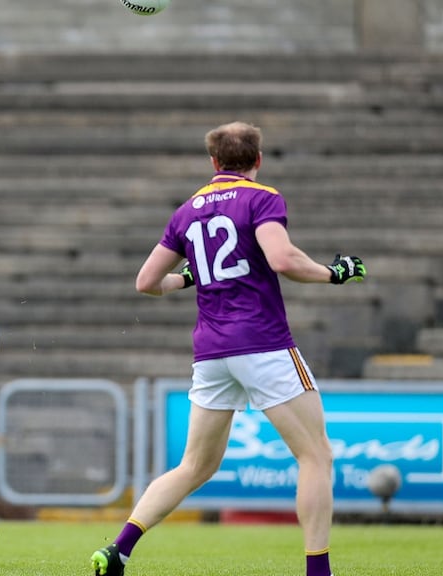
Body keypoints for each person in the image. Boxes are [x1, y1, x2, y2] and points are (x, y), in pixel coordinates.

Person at [90, 121, 366, 576]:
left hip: (212, 351)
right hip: (262, 343)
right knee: (316, 456)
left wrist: (190, 279)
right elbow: (283, 259)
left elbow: (146, 282)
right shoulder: (263, 197)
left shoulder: (188, 210)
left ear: (214, 163)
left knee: (194, 465)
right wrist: (334, 272)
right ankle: (319, 571)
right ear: (257, 160)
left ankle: (119, 548)